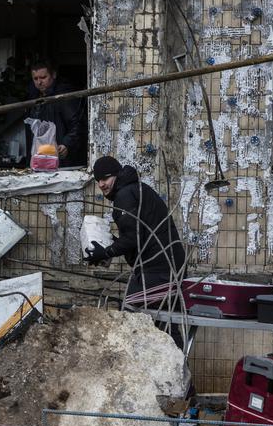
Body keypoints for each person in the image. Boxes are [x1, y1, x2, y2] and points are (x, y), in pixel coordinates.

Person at [84, 156, 187, 309]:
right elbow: (138, 234)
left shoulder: (125, 195)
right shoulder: (136, 189)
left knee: (131, 317)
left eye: (105, 178)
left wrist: (106, 252)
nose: (101, 184)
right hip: (170, 266)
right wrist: (106, 242)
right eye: (98, 180)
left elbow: (133, 239)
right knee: (163, 324)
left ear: (117, 174)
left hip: (157, 270)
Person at [27, 60, 86, 166]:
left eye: (43, 77)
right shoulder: (34, 97)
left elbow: (77, 123)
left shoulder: (64, 96)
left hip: (61, 157)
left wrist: (67, 144)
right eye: (35, 79)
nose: (39, 82)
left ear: (53, 75)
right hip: (40, 156)